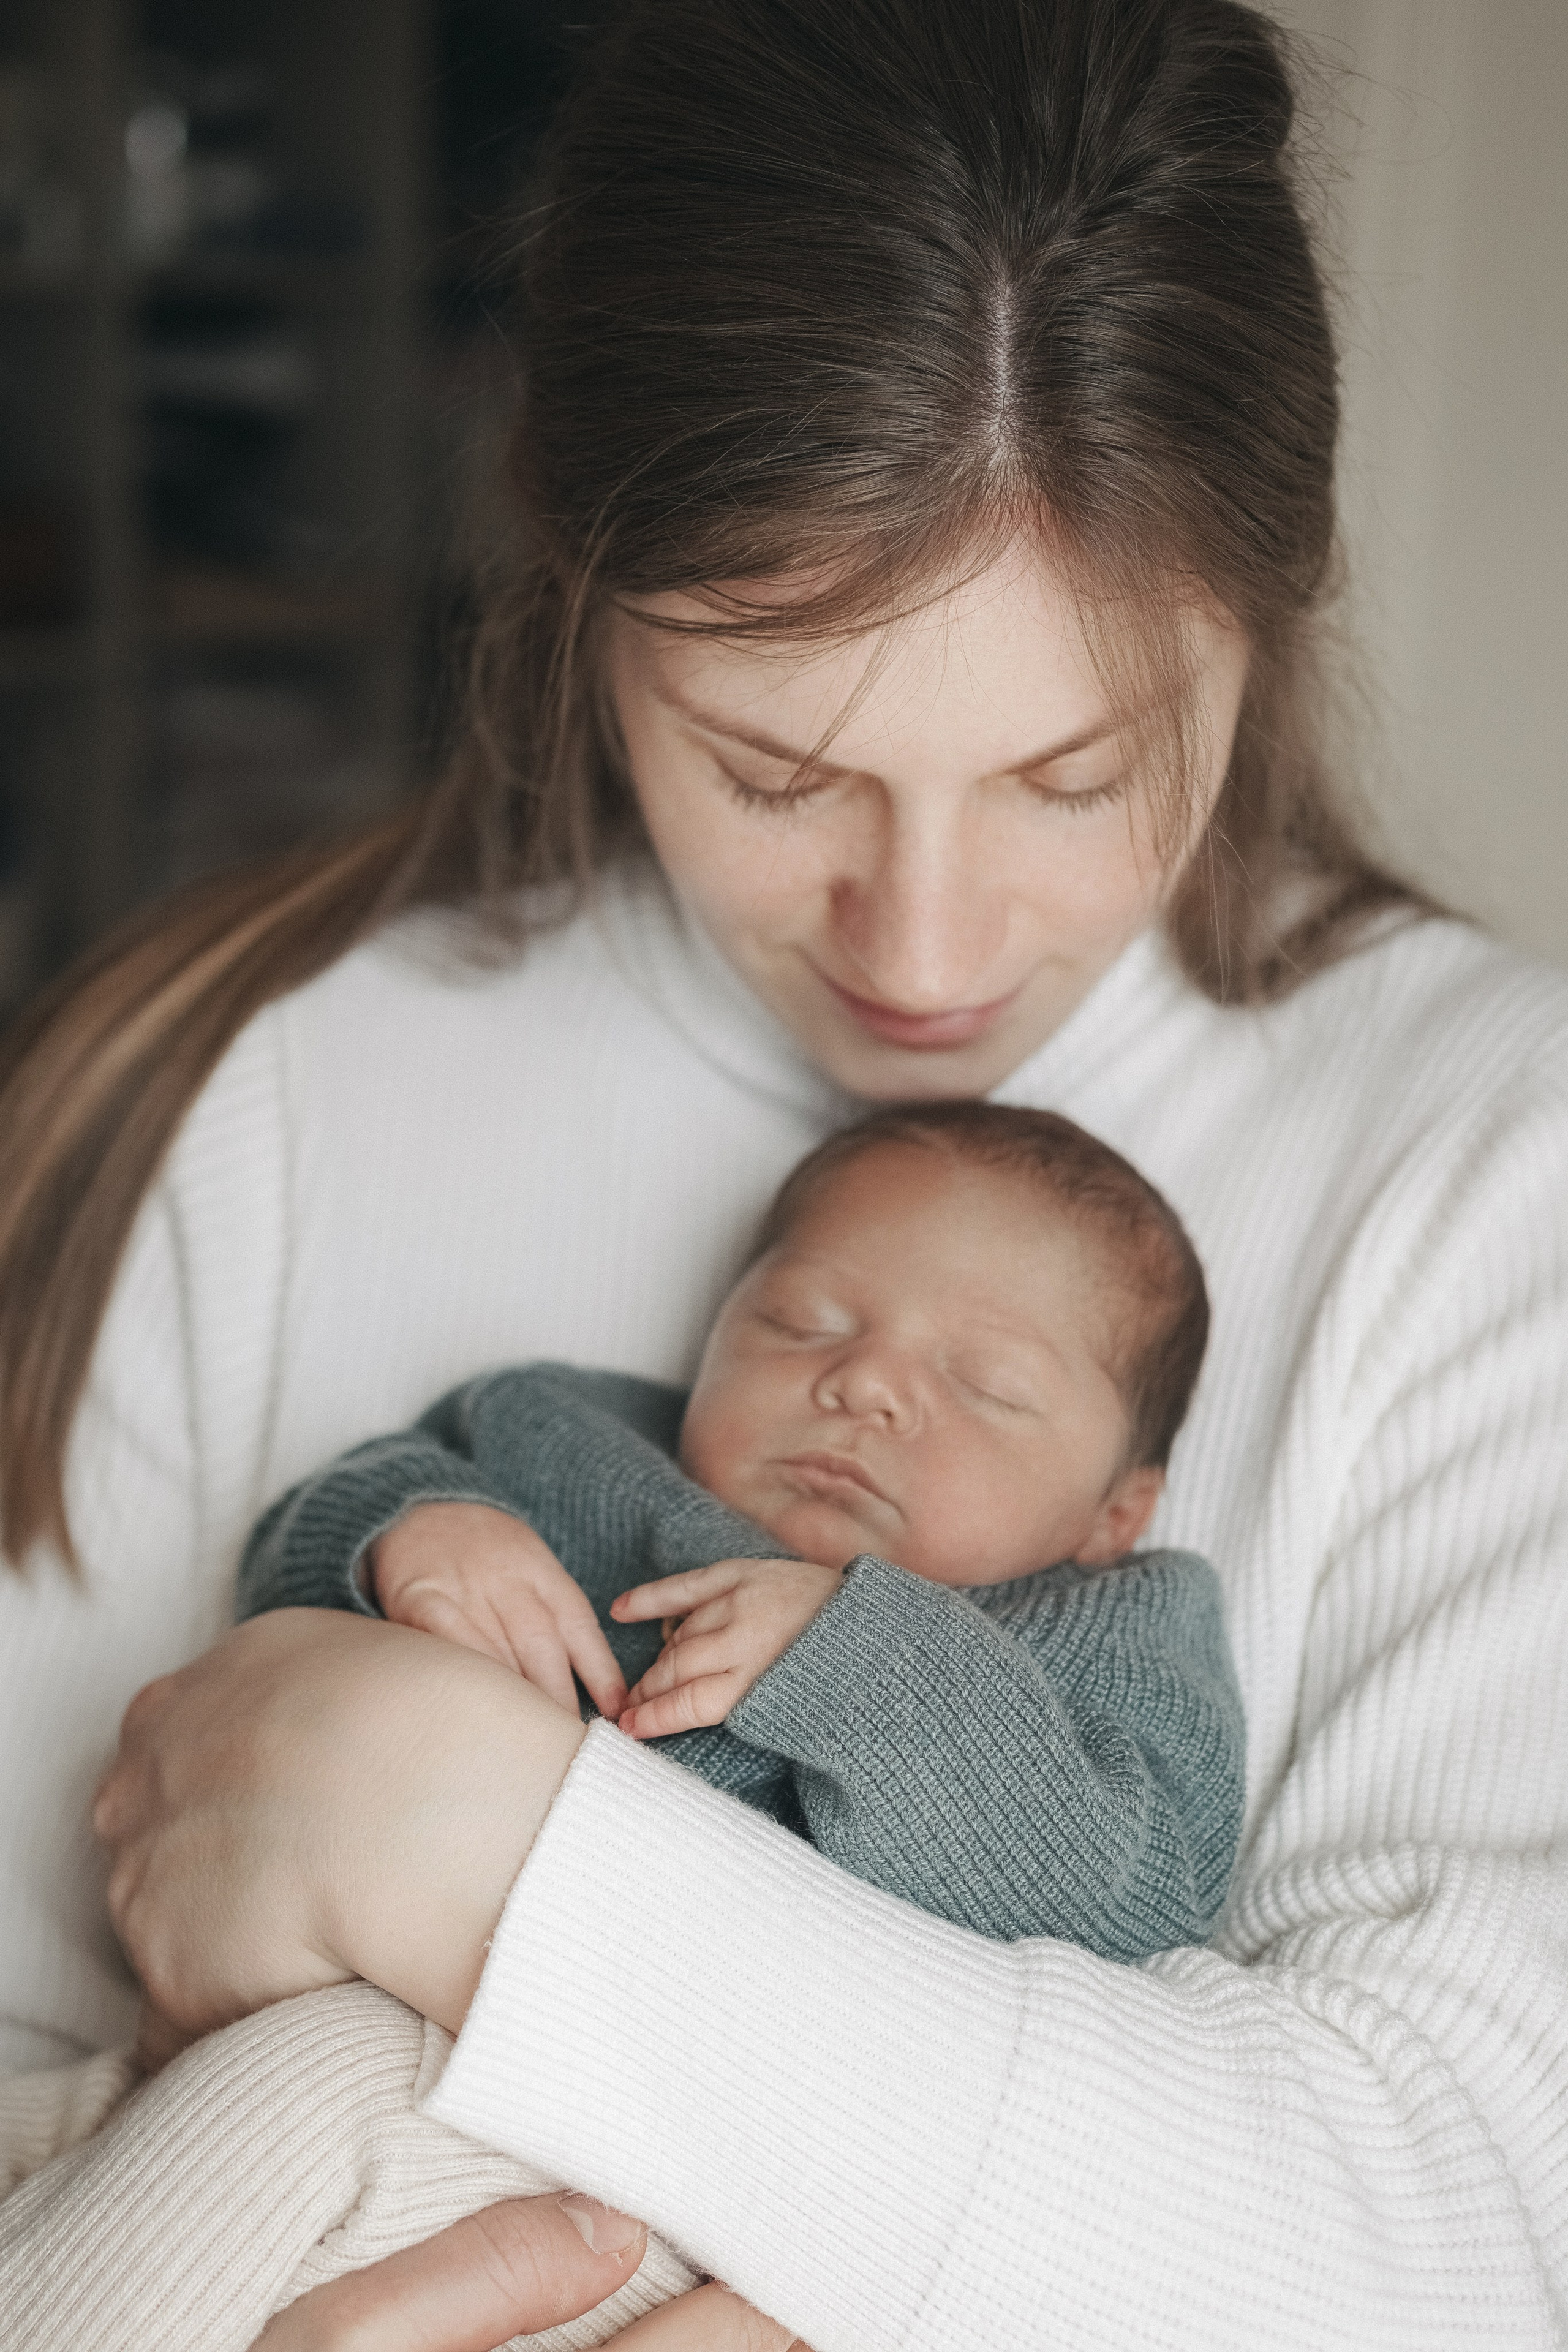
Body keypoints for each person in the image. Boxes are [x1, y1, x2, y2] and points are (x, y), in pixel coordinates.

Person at [1, 0, 1565, 2346]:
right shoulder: (268, 1095)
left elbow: (1476, 2232)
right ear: (560, 551)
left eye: (1074, 771)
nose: (924, 954)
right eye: (775, 766)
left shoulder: (1496, 1166)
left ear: (1273, 594)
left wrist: (470, 1836)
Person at [0, 1104, 1244, 2351]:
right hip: (272, 2031)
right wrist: (410, 1527)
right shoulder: (566, 1437)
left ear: (1114, 1512)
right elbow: (288, 1574)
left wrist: (865, 1662)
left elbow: (1128, 1905)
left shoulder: (1106, 1632)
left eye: (986, 1386)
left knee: (289, 2099)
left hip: (622, 2189)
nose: (863, 1382)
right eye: (798, 1322)